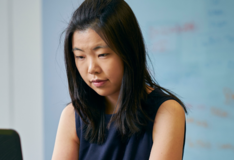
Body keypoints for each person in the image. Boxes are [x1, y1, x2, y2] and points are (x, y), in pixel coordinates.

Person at [51, 0, 187, 159]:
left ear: (128, 51)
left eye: (102, 54)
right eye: (80, 56)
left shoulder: (166, 112)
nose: (91, 68)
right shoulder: (73, 115)